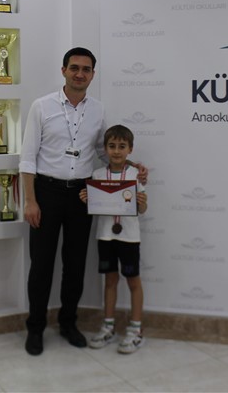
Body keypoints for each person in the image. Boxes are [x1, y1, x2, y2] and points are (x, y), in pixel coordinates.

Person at [19, 47, 145, 356]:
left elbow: (103, 152)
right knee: (41, 265)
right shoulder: (41, 106)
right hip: (46, 193)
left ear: (92, 74)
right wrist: (30, 201)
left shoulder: (98, 110)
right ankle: (35, 328)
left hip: (82, 195)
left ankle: (68, 323)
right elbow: (28, 158)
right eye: (74, 68)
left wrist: (134, 166)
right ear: (63, 70)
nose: (79, 74)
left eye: (86, 69)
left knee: (75, 265)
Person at [79, 125, 148, 354]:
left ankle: (136, 330)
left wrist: (142, 203)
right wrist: (86, 199)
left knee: (133, 281)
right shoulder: (97, 176)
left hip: (129, 237)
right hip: (106, 236)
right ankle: (108, 326)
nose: (117, 151)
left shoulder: (135, 175)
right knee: (110, 280)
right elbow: (94, 205)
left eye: (122, 146)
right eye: (112, 146)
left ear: (130, 149)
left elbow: (143, 208)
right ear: (105, 149)